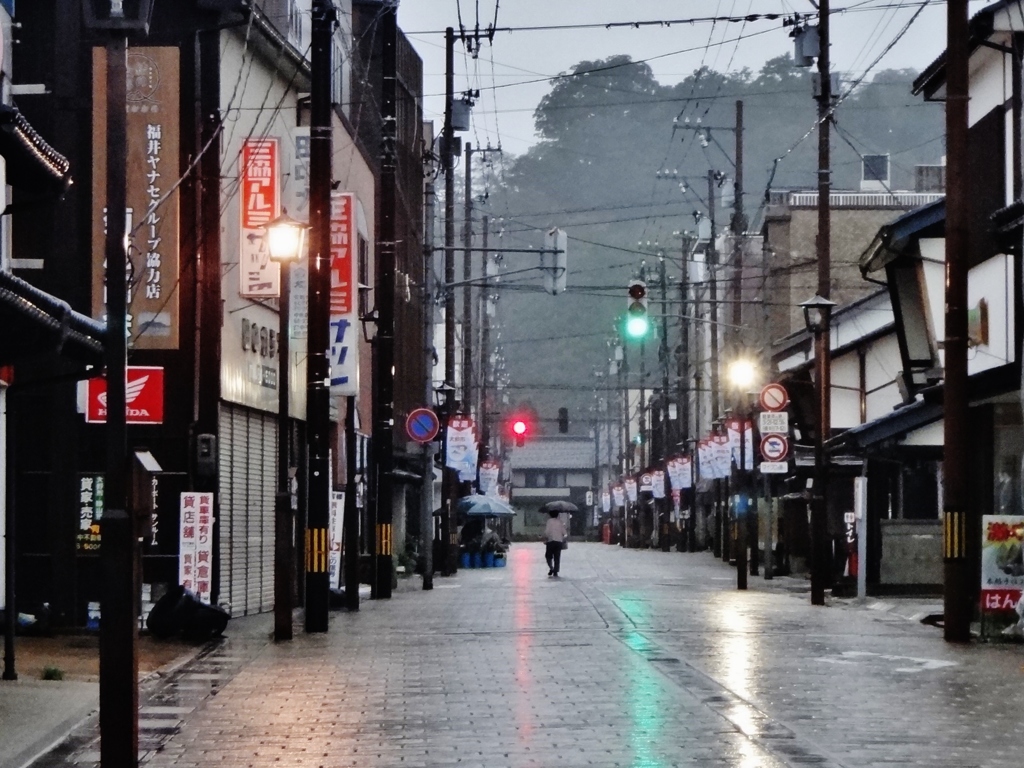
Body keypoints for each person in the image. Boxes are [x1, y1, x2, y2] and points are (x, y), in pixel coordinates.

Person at [544, 509, 566, 577]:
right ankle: (556, 571)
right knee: (557, 557)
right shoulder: (560, 522)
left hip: (551, 541)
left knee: (548, 556)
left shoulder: (549, 521)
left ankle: (551, 568)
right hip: (559, 542)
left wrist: (545, 538)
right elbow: (564, 533)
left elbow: (547, 532)